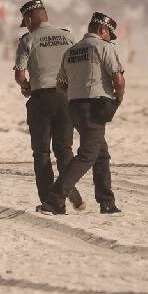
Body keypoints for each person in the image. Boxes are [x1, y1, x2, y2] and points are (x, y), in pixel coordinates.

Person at [39, 11, 125, 215]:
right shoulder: (103, 47)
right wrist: (117, 99)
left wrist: (77, 90)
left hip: (74, 107)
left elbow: (60, 85)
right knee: (87, 155)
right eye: (108, 34)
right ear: (103, 30)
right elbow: (118, 80)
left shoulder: (71, 51)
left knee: (101, 152)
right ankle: (54, 198)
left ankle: (107, 202)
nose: (108, 38)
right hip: (95, 107)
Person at [13, 0, 83, 209]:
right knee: (64, 150)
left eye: (25, 22)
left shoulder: (28, 39)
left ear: (28, 19)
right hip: (67, 99)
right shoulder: (68, 36)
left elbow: (19, 74)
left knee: (42, 152)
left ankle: (49, 201)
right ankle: (67, 187)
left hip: (42, 99)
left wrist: (26, 86)